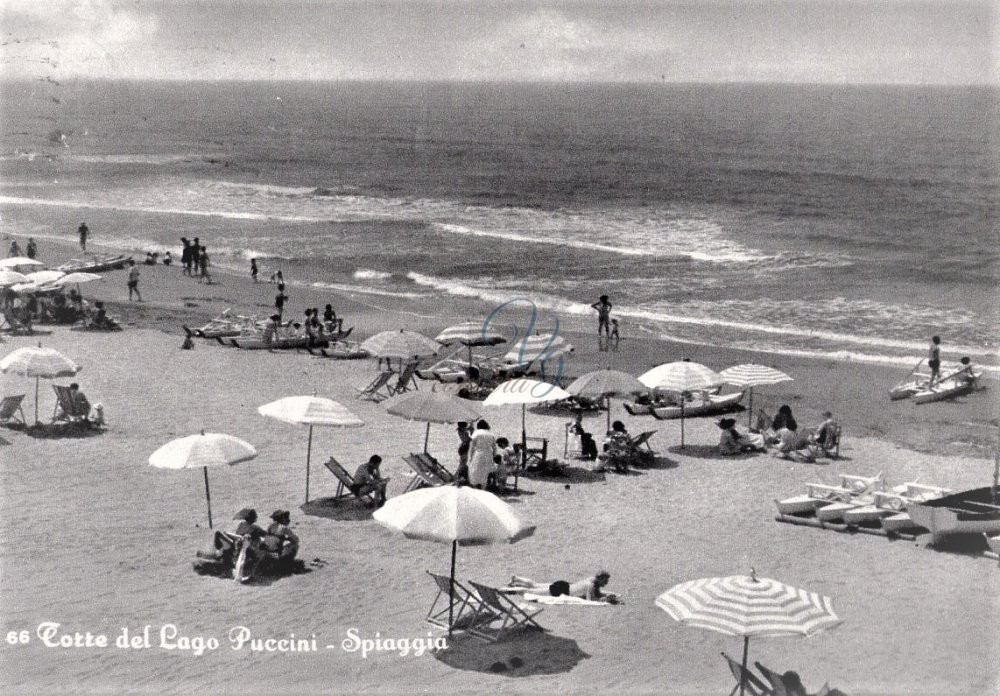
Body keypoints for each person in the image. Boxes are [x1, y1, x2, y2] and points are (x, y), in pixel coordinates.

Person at [508, 571, 618, 603]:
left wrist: (606, 595)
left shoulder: (591, 579)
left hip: (564, 585)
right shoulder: (590, 585)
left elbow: (597, 593)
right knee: (531, 591)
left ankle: (516, 579)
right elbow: (591, 600)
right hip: (560, 589)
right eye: (605, 581)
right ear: (599, 579)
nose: (606, 583)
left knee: (535, 585)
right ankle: (510, 589)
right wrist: (605, 599)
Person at [467, 420, 497, 488]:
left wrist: (471, 456)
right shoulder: (491, 434)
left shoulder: (477, 433)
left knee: (475, 472)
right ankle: (483, 489)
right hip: (488, 454)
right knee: (485, 472)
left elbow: (472, 446)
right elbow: (494, 448)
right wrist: (494, 457)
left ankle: (475, 488)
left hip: (479, 453)